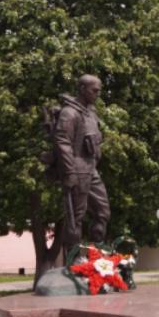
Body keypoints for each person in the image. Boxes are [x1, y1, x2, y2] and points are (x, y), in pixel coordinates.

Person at [54, 74, 110, 256]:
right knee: (75, 218)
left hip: (91, 169)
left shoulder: (90, 112)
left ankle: (97, 253)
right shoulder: (70, 113)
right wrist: (69, 172)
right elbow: (62, 142)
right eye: (94, 90)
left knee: (103, 211)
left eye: (99, 90)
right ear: (82, 89)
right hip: (77, 169)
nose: (98, 94)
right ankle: (73, 258)